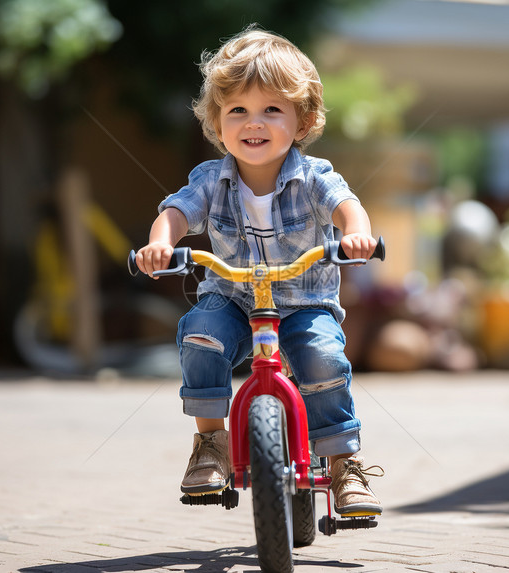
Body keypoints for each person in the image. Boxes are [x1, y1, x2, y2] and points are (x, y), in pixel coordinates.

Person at [134, 26, 384, 515]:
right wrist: (159, 243)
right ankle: (211, 444)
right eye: (238, 110)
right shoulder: (210, 179)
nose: (255, 122)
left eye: (272, 109)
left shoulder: (314, 177)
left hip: (304, 302)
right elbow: (177, 212)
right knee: (199, 335)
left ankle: (343, 465)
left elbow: (346, 207)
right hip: (232, 298)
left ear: (304, 119)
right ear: (217, 121)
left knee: (323, 359)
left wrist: (356, 234)